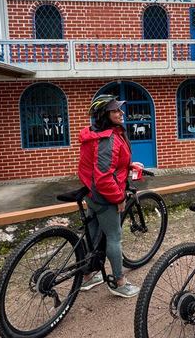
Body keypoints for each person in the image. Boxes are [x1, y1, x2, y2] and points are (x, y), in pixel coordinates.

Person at [77, 94, 142, 298]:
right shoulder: (108, 139)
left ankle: (87, 276)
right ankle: (119, 282)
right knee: (114, 237)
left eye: (120, 109)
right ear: (104, 115)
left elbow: (105, 165)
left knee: (94, 236)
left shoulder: (97, 133)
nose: (121, 112)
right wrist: (119, 198)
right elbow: (104, 177)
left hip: (91, 193)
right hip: (104, 196)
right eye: (115, 110)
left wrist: (129, 165)